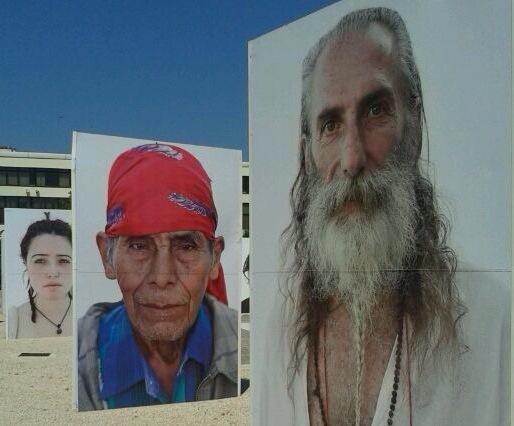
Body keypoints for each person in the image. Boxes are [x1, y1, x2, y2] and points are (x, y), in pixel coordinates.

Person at [261, 7, 509, 426]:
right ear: (307, 150)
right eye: (330, 125)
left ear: (414, 121)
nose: (353, 158)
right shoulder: (284, 326)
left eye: (376, 111)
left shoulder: (493, 320)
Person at [77, 143, 238, 411]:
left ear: (215, 258)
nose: (162, 277)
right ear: (107, 256)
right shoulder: (84, 353)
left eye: (186, 246)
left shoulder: (235, 342)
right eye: (139, 246)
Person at [8, 215, 73, 339]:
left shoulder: (90, 317)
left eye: (63, 260)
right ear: (26, 264)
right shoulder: (15, 319)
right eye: (40, 261)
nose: (53, 273)